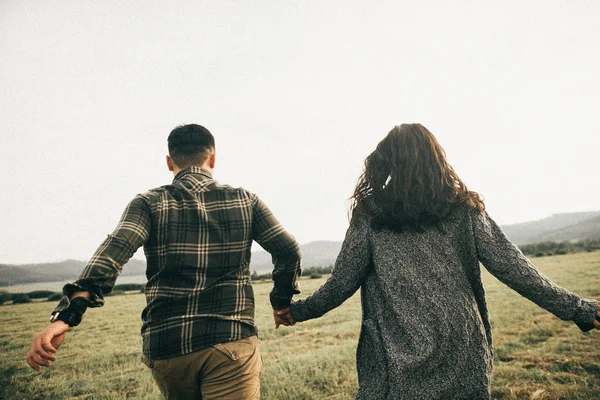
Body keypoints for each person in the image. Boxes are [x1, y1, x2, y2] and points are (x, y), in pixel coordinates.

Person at [275, 123, 600, 399]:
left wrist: (296, 311)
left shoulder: (372, 214)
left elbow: (342, 282)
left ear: (385, 163)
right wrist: (578, 308)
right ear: (436, 159)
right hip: (461, 346)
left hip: (395, 353)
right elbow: (515, 269)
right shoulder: (464, 208)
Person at [26, 124, 302, 399]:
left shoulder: (148, 203)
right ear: (213, 158)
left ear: (170, 162)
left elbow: (114, 252)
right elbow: (288, 251)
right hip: (230, 338)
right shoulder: (246, 201)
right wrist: (280, 302)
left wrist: (67, 315)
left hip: (167, 346)